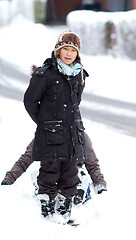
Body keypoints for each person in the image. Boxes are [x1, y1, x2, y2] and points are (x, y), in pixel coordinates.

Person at [22, 30, 105, 221]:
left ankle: (64, 213)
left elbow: (76, 101)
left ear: (78, 54)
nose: (68, 53)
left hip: (71, 133)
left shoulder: (79, 75)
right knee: (49, 173)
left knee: (70, 174)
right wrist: (45, 123)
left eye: (73, 50)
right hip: (50, 135)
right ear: (58, 50)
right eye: (65, 49)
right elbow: (30, 102)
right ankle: (46, 215)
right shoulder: (45, 75)